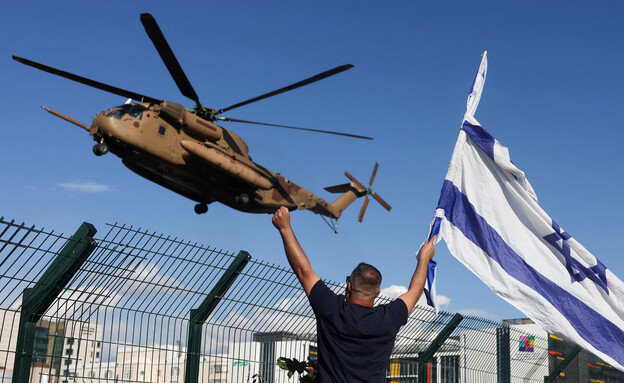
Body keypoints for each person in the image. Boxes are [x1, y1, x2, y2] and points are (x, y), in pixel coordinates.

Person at [272, 206, 436, 382]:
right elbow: (415, 292)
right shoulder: (389, 317)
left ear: (349, 286)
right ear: (378, 293)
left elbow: (303, 271)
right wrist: (424, 259)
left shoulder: (331, 308)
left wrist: (285, 228)